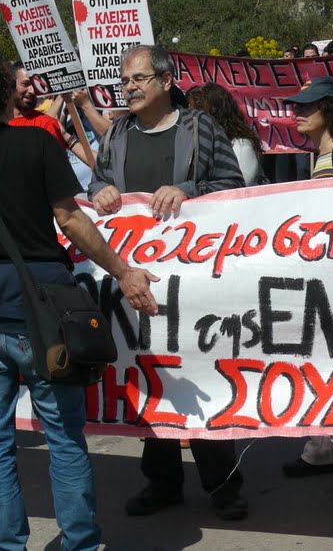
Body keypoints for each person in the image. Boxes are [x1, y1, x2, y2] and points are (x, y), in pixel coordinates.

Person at [0, 49, 160, 551]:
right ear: (2, 93)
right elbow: (71, 219)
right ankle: (81, 543)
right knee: (64, 437)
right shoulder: (36, 144)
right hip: (43, 314)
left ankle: (6, 545)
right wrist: (125, 272)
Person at [87, 45, 249, 521]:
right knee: (147, 378)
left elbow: (235, 188)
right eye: (125, 81)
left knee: (200, 377)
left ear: (165, 80)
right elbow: (96, 183)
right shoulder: (115, 134)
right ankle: (162, 482)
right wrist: (100, 192)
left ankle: (224, 484)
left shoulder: (200, 127)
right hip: (135, 281)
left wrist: (190, 191)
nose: (129, 88)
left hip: (194, 285)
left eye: (138, 79)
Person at [276, 77, 333, 481]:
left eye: (306, 107)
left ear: (328, 111)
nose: (297, 113)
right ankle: (321, 446)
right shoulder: (321, 154)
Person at [186, 83, 264, 187]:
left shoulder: (241, 148)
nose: (190, 117)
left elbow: (238, 189)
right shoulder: (193, 145)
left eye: (196, 112)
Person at [8, 64, 65, 144]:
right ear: (12, 85)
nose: (32, 91)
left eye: (35, 85)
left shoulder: (47, 125)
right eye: (25, 84)